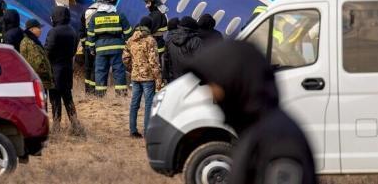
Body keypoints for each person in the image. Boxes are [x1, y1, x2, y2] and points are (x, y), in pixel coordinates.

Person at [182, 41, 316, 184]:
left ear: (234, 80)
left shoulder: (278, 139)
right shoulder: (255, 130)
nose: (212, 94)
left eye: (214, 85)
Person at [45, 6, 84, 135]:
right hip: (67, 69)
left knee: (55, 99)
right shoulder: (73, 31)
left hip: (55, 70)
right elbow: (73, 51)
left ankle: (56, 126)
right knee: (68, 98)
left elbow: (48, 51)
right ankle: (75, 124)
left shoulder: (53, 32)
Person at [87, 0, 132, 97]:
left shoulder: (94, 17)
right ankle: (121, 95)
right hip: (118, 48)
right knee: (119, 71)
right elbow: (128, 33)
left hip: (101, 49)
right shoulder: (120, 15)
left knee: (100, 72)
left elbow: (91, 35)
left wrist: (92, 49)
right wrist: (128, 48)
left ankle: (100, 95)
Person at [122, 16, 162, 138]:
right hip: (148, 78)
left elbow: (125, 58)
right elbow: (153, 62)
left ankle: (133, 130)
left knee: (134, 104)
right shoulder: (150, 40)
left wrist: (133, 69)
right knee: (149, 104)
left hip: (135, 77)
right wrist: (158, 78)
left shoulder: (130, 40)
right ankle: (147, 131)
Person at [19, 19, 54, 95]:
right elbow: (37, 64)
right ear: (32, 29)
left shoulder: (32, 41)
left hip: (38, 80)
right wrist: (46, 74)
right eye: (38, 28)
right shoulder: (30, 43)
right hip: (38, 81)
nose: (40, 30)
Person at [162, 16, 202, 81]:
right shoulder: (196, 40)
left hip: (175, 79)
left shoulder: (170, 39)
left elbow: (166, 59)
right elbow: (200, 61)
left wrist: (166, 77)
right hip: (191, 80)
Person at [80, 5, 98, 96]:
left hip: (87, 45)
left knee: (88, 69)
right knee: (95, 69)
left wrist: (84, 45)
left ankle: (87, 91)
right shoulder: (101, 12)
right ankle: (93, 90)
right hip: (97, 45)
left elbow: (81, 31)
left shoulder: (86, 12)